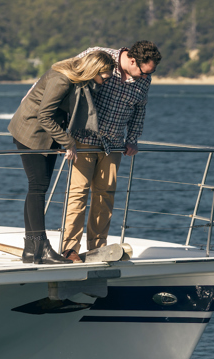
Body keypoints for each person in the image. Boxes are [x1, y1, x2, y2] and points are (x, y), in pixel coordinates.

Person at [8, 50, 115, 264]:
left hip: (47, 136)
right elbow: (44, 116)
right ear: (94, 69)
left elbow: (61, 114)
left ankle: (31, 250)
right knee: (38, 187)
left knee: (38, 188)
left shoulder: (77, 80)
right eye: (105, 76)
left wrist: (59, 140)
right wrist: (68, 142)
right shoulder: (62, 80)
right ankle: (42, 248)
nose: (105, 81)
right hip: (30, 133)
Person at [60, 41, 162, 263]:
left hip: (114, 145)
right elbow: (65, 79)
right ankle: (69, 249)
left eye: (150, 73)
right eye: (144, 72)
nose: (146, 78)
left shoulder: (144, 80)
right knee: (78, 194)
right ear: (132, 60)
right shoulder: (98, 56)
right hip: (83, 140)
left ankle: (98, 247)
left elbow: (139, 110)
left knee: (105, 196)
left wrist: (132, 139)